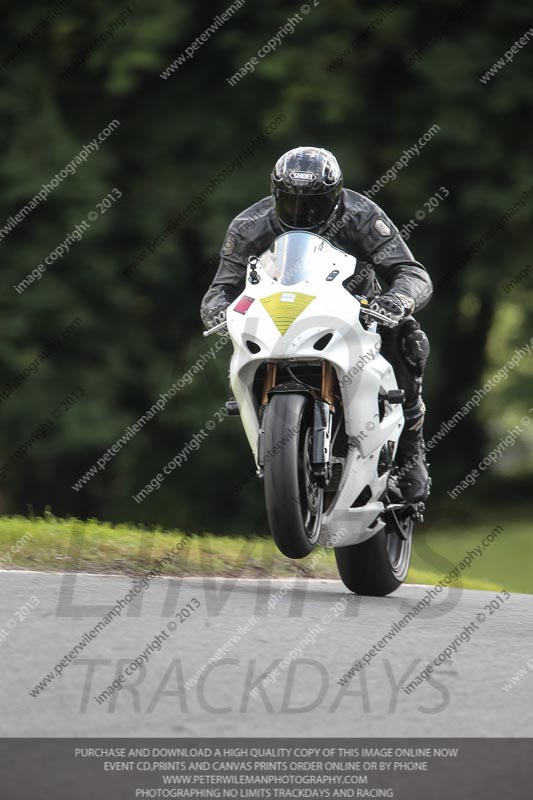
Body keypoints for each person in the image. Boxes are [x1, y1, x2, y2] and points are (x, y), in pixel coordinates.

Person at [200, 146, 432, 502]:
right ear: (275, 194)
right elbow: (222, 286)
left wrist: (397, 300)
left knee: (409, 338)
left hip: (357, 311)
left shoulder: (362, 216)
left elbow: (410, 271)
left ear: (335, 196)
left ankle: (411, 452)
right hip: (279, 314)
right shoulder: (250, 225)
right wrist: (218, 309)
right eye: (291, 202)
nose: (303, 212)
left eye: (315, 203)